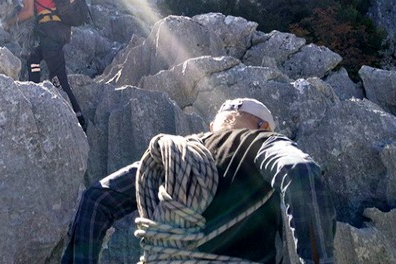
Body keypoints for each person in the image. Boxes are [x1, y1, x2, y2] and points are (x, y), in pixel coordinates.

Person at [62, 98, 336, 264]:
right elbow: (300, 172)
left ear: (213, 126)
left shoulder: (174, 154)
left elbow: (97, 200)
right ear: (263, 125)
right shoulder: (262, 141)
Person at [2, 0, 87, 131]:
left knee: (58, 79)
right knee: (32, 57)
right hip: (59, 29)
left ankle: (79, 121)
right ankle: (33, 91)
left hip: (51, 32)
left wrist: (9, 22)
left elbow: (28, 11)